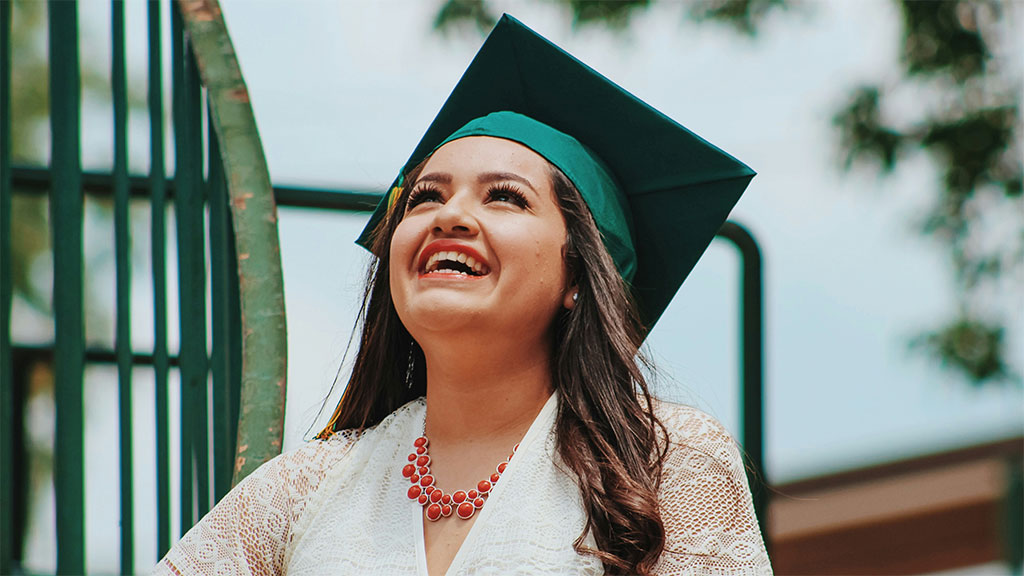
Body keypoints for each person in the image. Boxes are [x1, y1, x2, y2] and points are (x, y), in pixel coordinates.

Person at [155, 15, 771, 576]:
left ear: (580, 277)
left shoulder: (664, 464)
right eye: (425, 197)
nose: (449, 217)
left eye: (504, 196)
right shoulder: (304, 490)